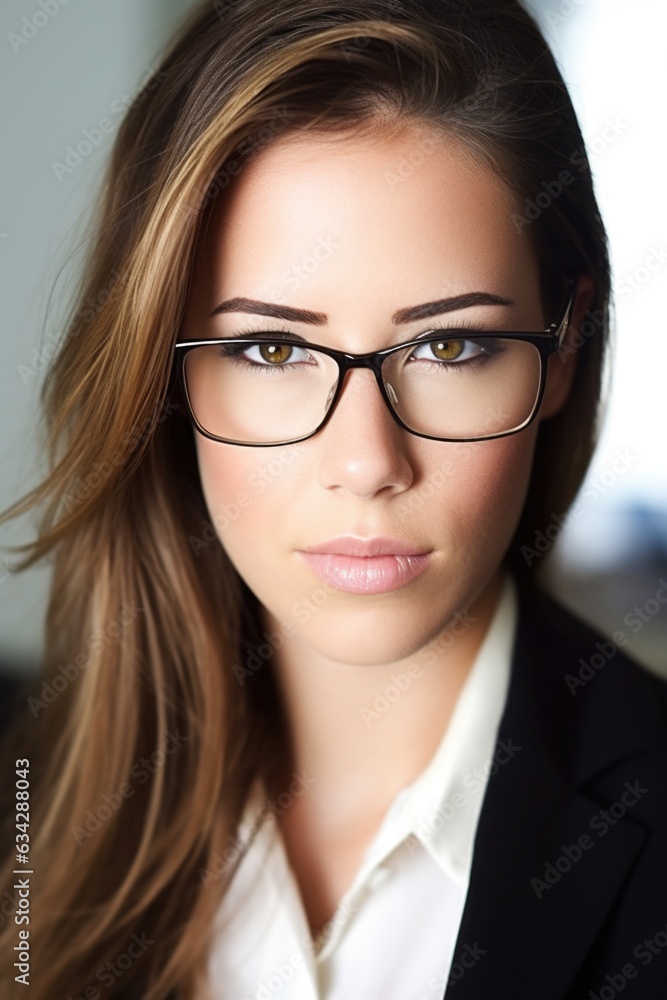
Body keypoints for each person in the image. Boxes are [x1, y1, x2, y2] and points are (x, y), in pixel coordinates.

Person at [0, 0, 666, 998]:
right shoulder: (27, 804)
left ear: (563, 343)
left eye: (450, 346)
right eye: (269, 349)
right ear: (159, 373)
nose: (366, 461)